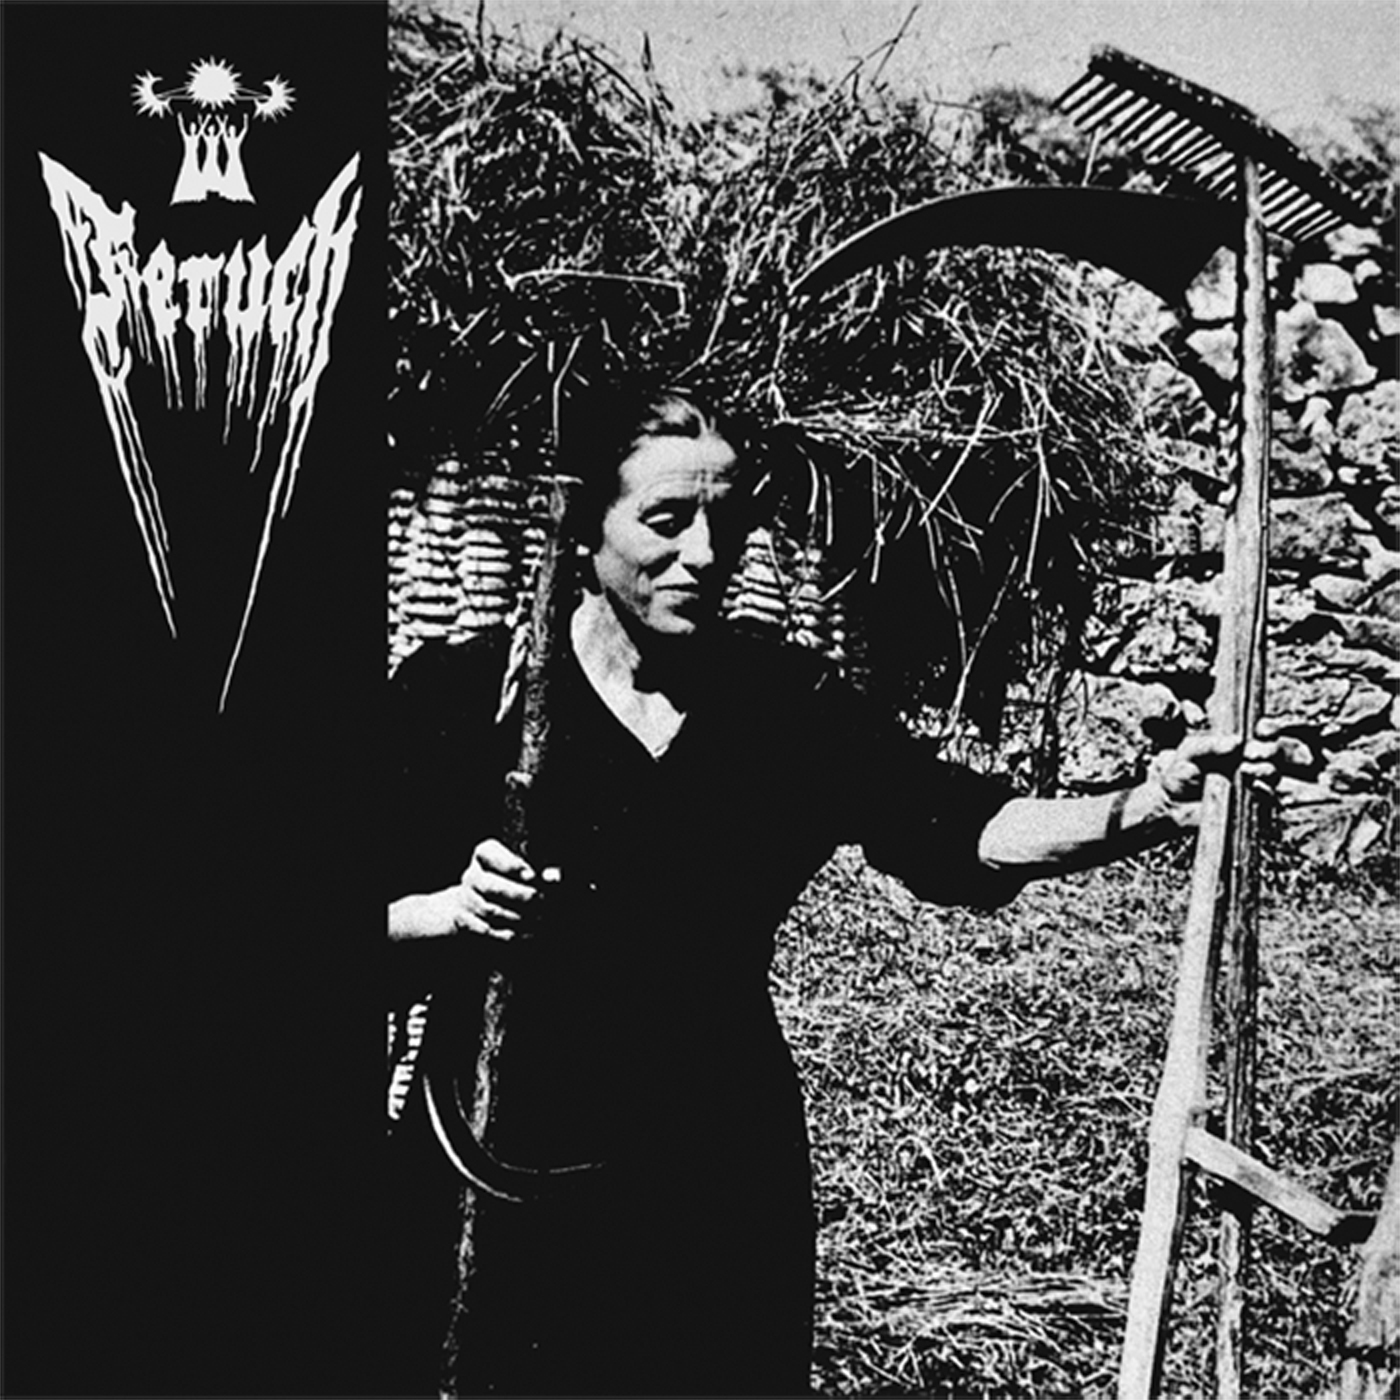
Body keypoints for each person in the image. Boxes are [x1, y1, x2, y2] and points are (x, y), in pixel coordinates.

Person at [386, 382, 1298, 1397]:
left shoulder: (779, 705)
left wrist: (1148, 805)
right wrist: (446, 913)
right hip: (500, 1163)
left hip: (713, 1172)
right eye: (665, 519)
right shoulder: (464, 701)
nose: (704, 553)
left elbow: (960, 823)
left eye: (725, 522)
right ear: (581, 526)